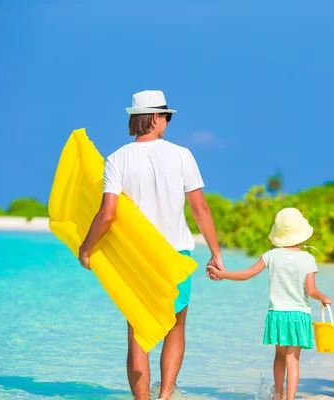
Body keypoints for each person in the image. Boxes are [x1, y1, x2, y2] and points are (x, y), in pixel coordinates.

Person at [77, 90, 225, 400]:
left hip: (137, 258)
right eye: (166, 117)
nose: (168, 123)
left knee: (137, 333)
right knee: (175, 327)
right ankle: (165, 395)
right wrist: (216, 252)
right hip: (176, 254)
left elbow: (107, 214)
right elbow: (200, 209)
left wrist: (86, 248)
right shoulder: (182, 154)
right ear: (155, 118)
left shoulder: (117, 158)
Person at [207, 208, 331, 400]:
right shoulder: (308, 259)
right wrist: (324, 298)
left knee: (280, 356)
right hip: (298, 316)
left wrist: (221, 274)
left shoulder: (271, 256)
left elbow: (246, 274)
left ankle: (278, 395)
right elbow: (311, 290)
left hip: (278, 315)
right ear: (302, 234)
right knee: (293, 360)